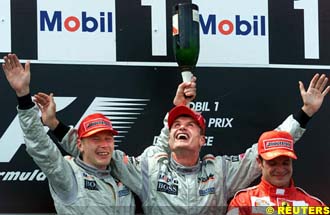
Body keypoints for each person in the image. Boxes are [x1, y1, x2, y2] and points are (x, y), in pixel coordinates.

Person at [37, 71, 328, 214]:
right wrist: (54, 125)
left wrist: (304, 114)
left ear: (203, 139)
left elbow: (268, 147)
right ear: (169, 133)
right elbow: (95, 151)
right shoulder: (149, 168)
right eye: (176, 124)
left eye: (189, 125)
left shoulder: (222, 171)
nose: (181, 127)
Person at [2, 53, 137, 214]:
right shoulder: (69, 176)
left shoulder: (122, 173)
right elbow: (39, 145)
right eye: (95, 139)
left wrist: (53, 123)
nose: (103, 144)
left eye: (108, 139)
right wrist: (23, 96)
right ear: (80, 144)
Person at [226, 130, 326, 215]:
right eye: (272, 164)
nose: (280, 170)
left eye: (285, 163)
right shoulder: (243, 202)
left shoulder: (313, 205)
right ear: (260, 162)